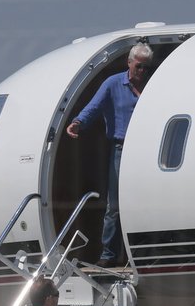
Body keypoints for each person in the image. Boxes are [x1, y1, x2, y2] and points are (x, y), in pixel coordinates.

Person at [66, 43, 154, 267]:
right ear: (129, 62)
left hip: (147, 150)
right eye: (138, 66)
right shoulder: (113, 84)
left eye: (146, 68)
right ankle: (109, 254)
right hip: (121, 149)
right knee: (114, 206)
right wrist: (78, 122)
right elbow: (94, 106)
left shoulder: (153, 85)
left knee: (145, 203)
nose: (141, 72)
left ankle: (142, 252)